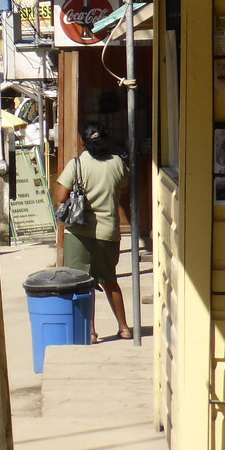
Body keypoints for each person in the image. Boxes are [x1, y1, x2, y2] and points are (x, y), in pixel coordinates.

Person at [55, 121, 132, 341]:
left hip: (78, 233)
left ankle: (89, 331)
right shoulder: (117, 163)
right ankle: (124, 327)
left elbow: (61, 197)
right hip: (108, 232)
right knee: (109, 280)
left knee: (81, 283)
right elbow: (124, 187)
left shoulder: (77, 164)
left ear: (83, 142)